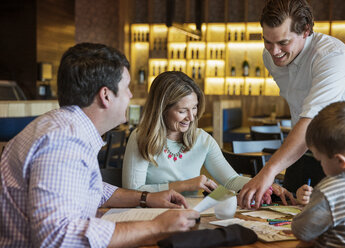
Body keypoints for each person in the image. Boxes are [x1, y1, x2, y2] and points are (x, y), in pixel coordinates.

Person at [0, 43, 200, 248]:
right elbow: (58, 238)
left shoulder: (65, 126)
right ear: (106, 95)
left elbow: (93, 189)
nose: (130, 96)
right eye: (126, 88)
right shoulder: (63, 141)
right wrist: (156, 227)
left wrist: (146, 198)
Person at [238, 0, 345, 209]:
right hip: (303, 150)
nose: (274, 52)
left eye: (283, 42)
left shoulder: (331, 56)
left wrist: (268, 172)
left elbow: (311, 120)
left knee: (335, 229)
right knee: (285, 218)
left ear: (305, 31)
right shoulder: (270, 57)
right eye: (267, 41)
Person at [122, 71, 294, 204]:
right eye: (182, 111)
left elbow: (231, 180)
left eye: (194, 108)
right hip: (150, 215)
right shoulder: (140, 138)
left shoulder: (202, 139)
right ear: (162, 110)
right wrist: (184, 185)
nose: (191, 117)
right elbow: (132, 191)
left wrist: (264, 185)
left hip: (188, 215)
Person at [291, 101, 345, 247]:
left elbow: (302, 231)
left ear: (340, 161)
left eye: (320, 159)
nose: (320, 164)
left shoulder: (330, 188)